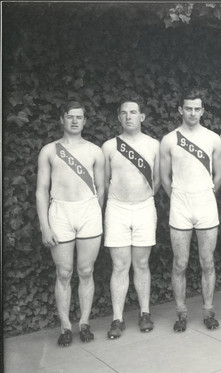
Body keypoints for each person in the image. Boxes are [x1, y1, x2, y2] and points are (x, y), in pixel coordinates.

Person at [36, 101, 105, 346]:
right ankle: (65, 326)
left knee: (86, 271)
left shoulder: (95, 151)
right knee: (63, 273)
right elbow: (41, 190)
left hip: (88, 212)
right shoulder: (49, 150)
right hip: (60, 213)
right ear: (62, 120)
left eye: (79, 117)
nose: (75, 121)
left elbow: (101, 189)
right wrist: (45, 226)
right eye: (70, 117)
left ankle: (84, 323)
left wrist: (94, 212)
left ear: (85, 121)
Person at [160, 90, 221, 332]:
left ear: (203, 111)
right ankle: (181, 313)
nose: (193, 113)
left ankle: (208, 311)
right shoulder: (169, 140)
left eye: (197, 109)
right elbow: (165, 178)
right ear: (180, 110)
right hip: (180, 206)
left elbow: (219, 175)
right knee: (180, 263)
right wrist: (179, 195)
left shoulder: (212, 138)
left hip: (206, 204)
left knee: (207, 262)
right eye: (188, 108)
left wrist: (205, 193)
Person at [102, 97, 160, 339]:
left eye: (133, 112)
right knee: (120, 266)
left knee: (142, 263)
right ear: (119, 118)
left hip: (145, 207)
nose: (128, 116)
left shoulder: (154, 145)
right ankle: (118, 318)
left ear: (142, 117)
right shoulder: (108, 146)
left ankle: (145, 313)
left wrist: (143, 197)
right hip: (116, 209)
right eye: (124, 113)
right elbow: (104, 182)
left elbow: (157, 180)